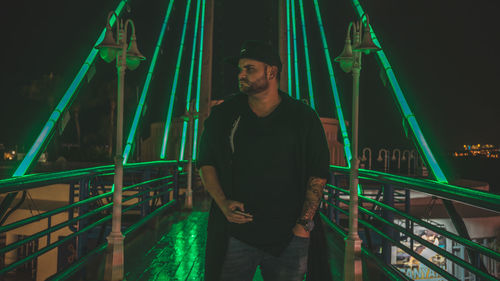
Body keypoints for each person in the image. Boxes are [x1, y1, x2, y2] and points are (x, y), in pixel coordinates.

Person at [197, 40, 331, 281]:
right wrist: (223, 202)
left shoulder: (303, 118)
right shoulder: (224, 114)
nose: (241, 75)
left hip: (288, 237)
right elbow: (206, 162)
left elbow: (318, 172)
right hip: (234, 234)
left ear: (272, 71)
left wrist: (303, 225)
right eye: (240, 69)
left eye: (249, 68)